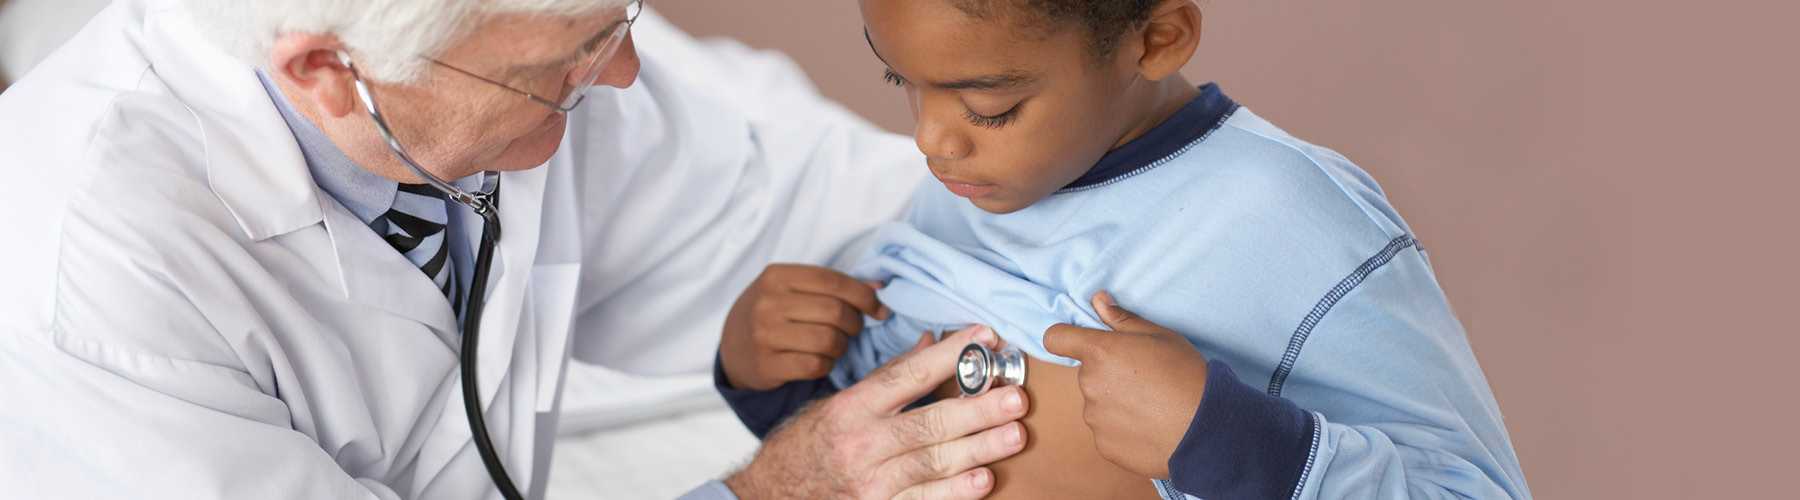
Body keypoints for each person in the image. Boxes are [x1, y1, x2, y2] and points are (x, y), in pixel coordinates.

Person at [0, 0, 1031, 498]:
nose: (622, 75)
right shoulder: (84, 274)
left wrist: (1103, 197)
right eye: (561, 63)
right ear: (327, 71)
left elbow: (808, 203)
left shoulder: (512, 70)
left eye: (615, 22)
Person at [717, 0, 1532, 499]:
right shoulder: (974, 185)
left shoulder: (1290, 224)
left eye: (991, 106)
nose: (932, 139)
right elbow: (875, 456)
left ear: (1159, 38)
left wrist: (1225, 439)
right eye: (903, 83)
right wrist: (776, 379)